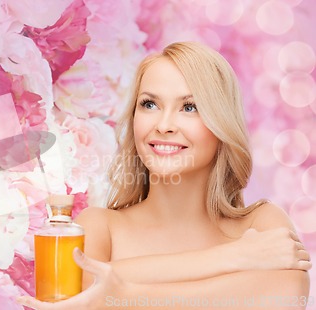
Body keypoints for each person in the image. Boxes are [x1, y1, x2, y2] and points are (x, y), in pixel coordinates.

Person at [18, 41, 312, 309]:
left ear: (222, 123)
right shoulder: (99, 227)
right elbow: (76, 295)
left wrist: (123, 296)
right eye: (150, 104)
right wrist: (234, 258)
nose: (164, 124)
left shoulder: (262, 224)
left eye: (189, 107)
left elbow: (285, 296)